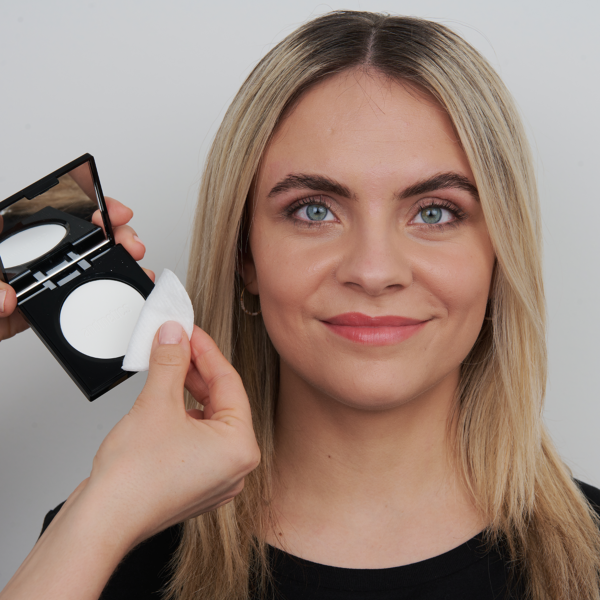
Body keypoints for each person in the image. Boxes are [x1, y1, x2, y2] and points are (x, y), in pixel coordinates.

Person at [2, 10, 600, 600]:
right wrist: (102, 519)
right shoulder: (95, 542)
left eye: (435, 212)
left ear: (499, 254)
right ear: (245, 253)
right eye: (314, 210)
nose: (374, 272)